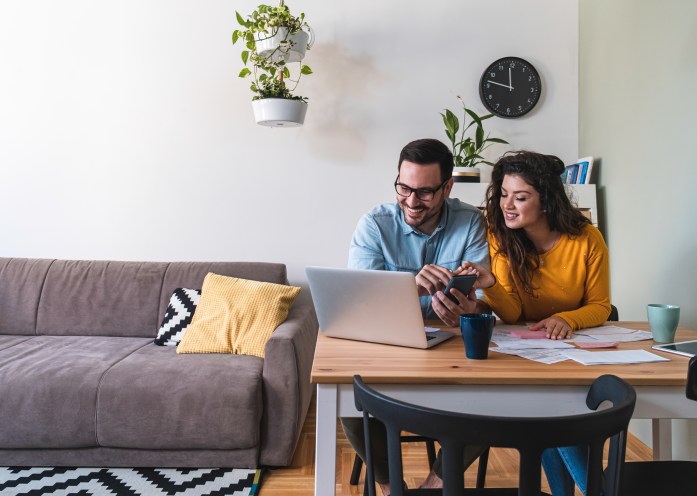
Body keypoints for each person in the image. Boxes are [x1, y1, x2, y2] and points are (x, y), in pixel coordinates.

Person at [344, 138, 490, 495]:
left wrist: (471, 311)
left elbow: (487, 300)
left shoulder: (471, 222)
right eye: (404, 188)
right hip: (389, 347)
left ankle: (433, 485)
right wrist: (409, 286)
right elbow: (359, 303)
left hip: (452, 350)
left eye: (424, 192)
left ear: (448, 186)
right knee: (350, 399)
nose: (411, 201)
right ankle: (391, 485)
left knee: (496, 399)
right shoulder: (374, 225)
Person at [462, 150, 612, 496]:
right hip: (528, 354)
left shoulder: (587, 239)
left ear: (545, 201)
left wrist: (565, 319)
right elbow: (513, 314)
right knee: (547, 409)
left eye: (520, 196)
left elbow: (601, 306)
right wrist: (491, 287)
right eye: (503, 194)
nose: (507, 205)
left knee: (550, 413)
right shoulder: (500, 238)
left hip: (576, 354)